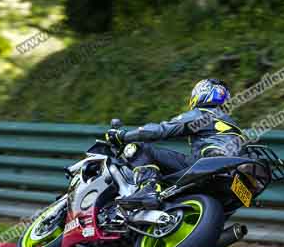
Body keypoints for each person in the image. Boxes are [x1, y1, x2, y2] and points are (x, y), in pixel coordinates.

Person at [104, 78, 248, 208]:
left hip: (206, 164)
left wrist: (123, 136)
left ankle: (149, 189)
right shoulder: (234, 125)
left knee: (138, 148)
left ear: (201, 93)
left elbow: (160, 130)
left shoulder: (203, 114)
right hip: (232, 175)